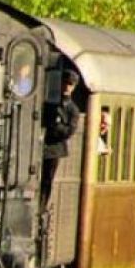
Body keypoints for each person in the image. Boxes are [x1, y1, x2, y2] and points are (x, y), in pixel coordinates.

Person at [40, 70, 81, 200]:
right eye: (65, 83)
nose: (66, 87)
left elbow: (69, 131)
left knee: (47, 180)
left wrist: (56, 126)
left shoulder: (72, 110)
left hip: (54, 149)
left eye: (70, 84)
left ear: (73, 87)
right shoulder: (48, 101)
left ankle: (42, 205)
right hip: (40, 144)